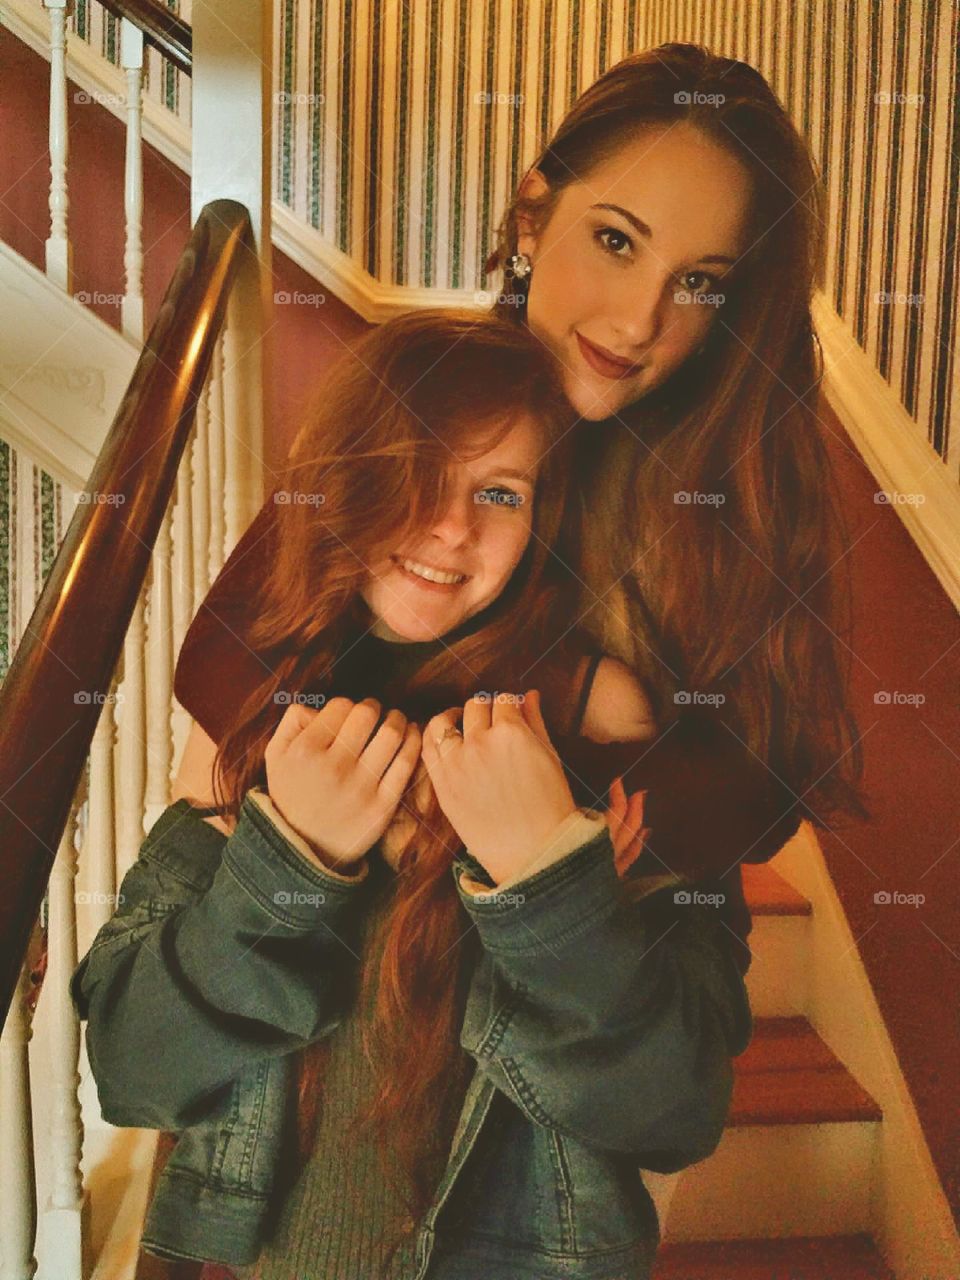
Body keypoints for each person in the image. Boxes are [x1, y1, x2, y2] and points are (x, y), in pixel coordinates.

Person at [73, 308, 760, 1280]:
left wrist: (548, 882)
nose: (451, 526)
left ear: (542, 519)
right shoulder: (256, 705)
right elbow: (135, 1071)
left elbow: (677, 1109)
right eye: (418, 470)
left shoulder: (605, 715)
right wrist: (286, 862)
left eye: (500, 491)